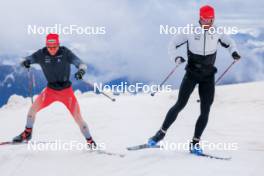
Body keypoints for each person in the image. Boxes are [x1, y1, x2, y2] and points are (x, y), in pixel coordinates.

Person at [148, 5, 241, 155]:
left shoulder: (217, 31)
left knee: (205, 110)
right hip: (192, 73)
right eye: (206, 19)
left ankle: (195, 143)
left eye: (211, 19)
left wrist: (234, 52)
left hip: (208, 76)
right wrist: (176, 57)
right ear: (200, 17)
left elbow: (230, 43)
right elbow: (172, 44)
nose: (208, 23)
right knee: (180, 104)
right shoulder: (190, 30)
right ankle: (160, 134)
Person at [13, 33, 96, 148]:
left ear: (58, 45)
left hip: (66, 92)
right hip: (50, 91)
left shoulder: (65, 53)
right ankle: (27, 133)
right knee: (32, 110)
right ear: (46, 46)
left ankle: (90, 141)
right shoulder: (41, 54)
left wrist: (81, 71)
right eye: (49, 47)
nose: (51, 50)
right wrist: (25, 62)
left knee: (78, 118)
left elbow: (81, 63)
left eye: (54, 47)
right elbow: (26, 59)